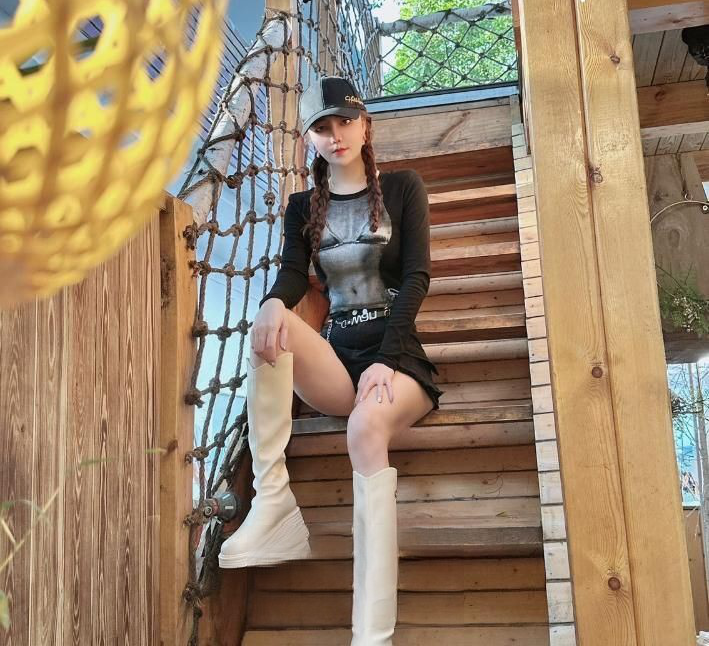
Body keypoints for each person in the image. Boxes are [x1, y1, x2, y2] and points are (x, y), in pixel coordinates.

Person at [218, 75, 443, 645]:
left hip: (396, 357)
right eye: (322, 127)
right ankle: (273, 502)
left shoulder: (402, 188)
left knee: (364, 429)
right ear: (310, 139)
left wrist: (387, 359)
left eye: (345, 121)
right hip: (338, 358)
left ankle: (372, 636)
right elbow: (294, 273)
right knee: (270, 323)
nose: (336, 134)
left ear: (365, 125)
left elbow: (417, 277)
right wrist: (272, 303)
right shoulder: (302, 207)